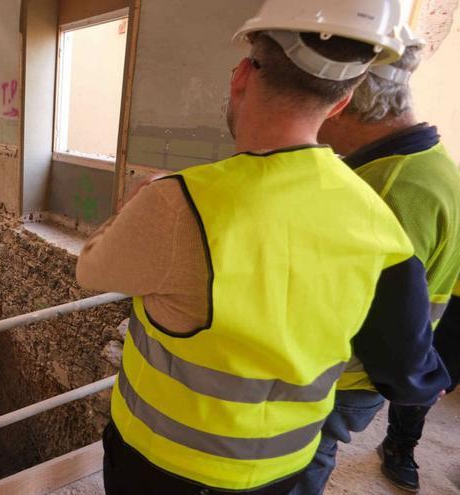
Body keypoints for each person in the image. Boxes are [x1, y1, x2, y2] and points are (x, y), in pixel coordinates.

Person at [75, 1, 451, 493]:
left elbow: (93, 270)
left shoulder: (177, 202)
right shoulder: (381, 225)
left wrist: (136, 201)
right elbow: (402, 361)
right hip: (283, 469)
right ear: (342, 100)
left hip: (160, 464)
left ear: (241, 77)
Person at [294, 26, 460, 494]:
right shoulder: (426, 164)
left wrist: (419, 379)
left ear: (344, 101)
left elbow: (389, 319)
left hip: (337, 381)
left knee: (299, 467)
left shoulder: (385, 190)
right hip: (355, 379)